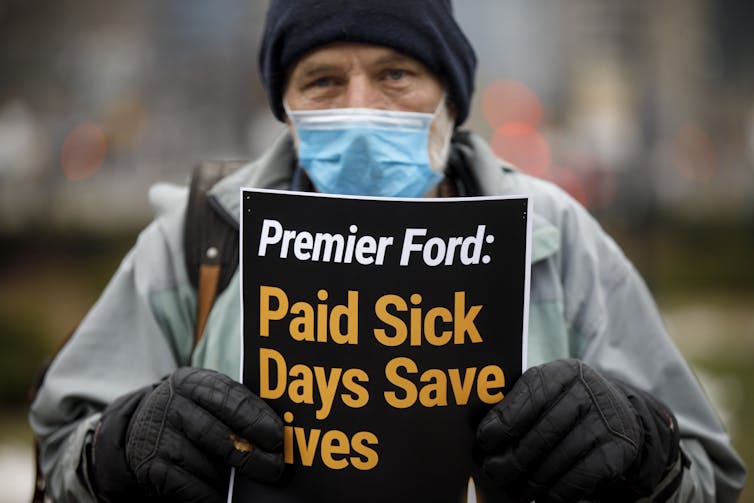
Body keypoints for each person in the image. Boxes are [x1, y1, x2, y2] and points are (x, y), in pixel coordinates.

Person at [30, 1, 746, 502]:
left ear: (451, 98)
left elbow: (710, 478)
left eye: (396, 73)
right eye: (323, 80)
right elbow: (62, 447)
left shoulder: (555, 239)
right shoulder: (197, 237)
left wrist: (644, 454)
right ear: (285, 105)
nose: (360, 110)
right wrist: (116, 454)